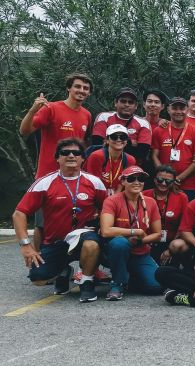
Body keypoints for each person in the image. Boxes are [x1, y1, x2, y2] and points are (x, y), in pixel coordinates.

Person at [12, 138, 107, 303]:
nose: (71, 156)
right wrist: (26, 245)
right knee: (38, 279)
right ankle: (64, 270)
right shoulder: (44, 183)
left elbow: (107, 210)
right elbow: (19, 214)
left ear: (83, 158)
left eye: (76, 153)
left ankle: (86, 281)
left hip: (84, 238)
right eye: (65, 153)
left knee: (91, 244)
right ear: (57, 158)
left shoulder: (95, 182)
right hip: (56, 241)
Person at [99, 166, 163, 300]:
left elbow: (157, 234)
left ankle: (132, 276)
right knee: (119, 243)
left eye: (141, 179)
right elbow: (106, 231)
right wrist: (135, 231)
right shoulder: (112, 200)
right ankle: (117, 283)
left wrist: (140, 241)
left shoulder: (150, 202)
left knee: (156, 287)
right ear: (122, 181)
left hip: (140, 252)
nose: (137, 182)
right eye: (131, 179)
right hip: (117, 251)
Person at [19, 73, 92, 179]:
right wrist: (32, 111)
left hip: (73, 175)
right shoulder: (51, 108)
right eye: (77, 86)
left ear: (89, 93)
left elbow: (84, 144)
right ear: (68, 88)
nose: (81, 90)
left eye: (85, 88)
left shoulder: (87, 115)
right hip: (48, 174)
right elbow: (24, 131)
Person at [150, 97, 195, 200]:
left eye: (182, 108)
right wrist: (164, 177)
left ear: (187, 110)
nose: (178, 111)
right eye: (175, 108)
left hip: (189, 185)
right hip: (163, 183)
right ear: (168, 109)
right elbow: (154, 155)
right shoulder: (159, 130)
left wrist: (177, 179)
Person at [143, 165, 191, 268]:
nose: (164, 184)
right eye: (160, 180)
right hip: (149, 241)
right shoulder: (144, 195)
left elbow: (183, 225)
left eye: (168, 181)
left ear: (173, 182)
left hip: (171, 242)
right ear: (155, 179)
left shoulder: (181, 197)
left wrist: (170, 250)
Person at [91, 87, 152, 164]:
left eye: (130, 102)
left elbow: (142, 153)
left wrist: (110, 141)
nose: (127, 105)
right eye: (123, 101)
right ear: (116, 103)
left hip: (130, 166)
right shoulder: (104, 117)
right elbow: (97, 144)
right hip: (105, 163)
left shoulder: (143, 123)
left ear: (136, 106)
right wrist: (131, 142)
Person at [84, 124, 137, 193]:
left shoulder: (130, 160)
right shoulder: (97, 156)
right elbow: (93, 182)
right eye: (114, 137)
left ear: (126, 141)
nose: (118, 140)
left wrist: (115, 196)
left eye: (123, 137)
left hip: (115, 195)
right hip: (94, 192)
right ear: (107, 140)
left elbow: (124, 182)